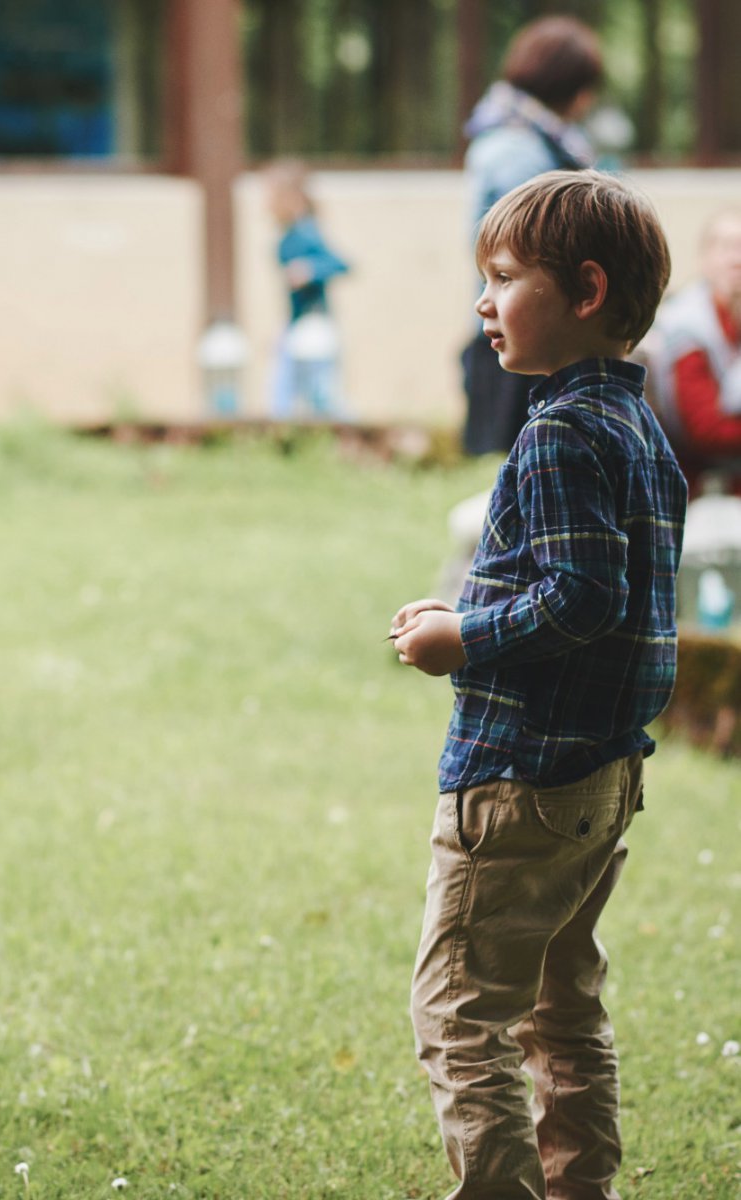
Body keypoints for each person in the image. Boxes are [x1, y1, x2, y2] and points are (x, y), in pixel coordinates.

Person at [391, 170, 682, 1199]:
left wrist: (462, 638)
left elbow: (582, 598)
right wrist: (464, 615)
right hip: (601, 779)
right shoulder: (639, 428)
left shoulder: (558, 433)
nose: (484, 302)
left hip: (521, 781)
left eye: (506, 278)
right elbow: (600, 590)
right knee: (562, 1010)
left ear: (586, 291)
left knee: (459, 1015)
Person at [460, 16, 603, 456]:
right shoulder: (519, 150)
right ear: (571, 87)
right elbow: (524, 252)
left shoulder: (521, 135)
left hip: (523, 324)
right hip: (524, 327)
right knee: (526, 461)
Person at [640, 207, 741, 493]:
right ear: (705, 259)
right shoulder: (687, 325)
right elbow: (705, 431)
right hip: (703, 483)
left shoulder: (733, 316)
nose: (736, 259)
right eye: (727, 247)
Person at [262, 160, 349, 419]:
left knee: (319, 393)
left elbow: (340, 263)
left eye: (271, 196)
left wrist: (310, 269)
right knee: (288, 390)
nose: (266, 203)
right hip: (296, 325)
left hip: (312, 325)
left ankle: (351, 431)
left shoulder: (305, 232)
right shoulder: (288, 235)